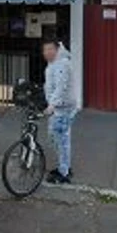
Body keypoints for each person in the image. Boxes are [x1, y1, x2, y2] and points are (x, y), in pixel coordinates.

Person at [42, 39, 77, 184]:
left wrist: (53, 104)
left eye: (50, 49)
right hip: (58, 108)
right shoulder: (54, 63)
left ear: (57, 50)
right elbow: (51, 84)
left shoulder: (62, 64)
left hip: (63, 108)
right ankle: (64, 166)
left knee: (61, 140)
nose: (47, 52)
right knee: (55, 137)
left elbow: (61, 86)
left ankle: (64, 173)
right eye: (45, 50)